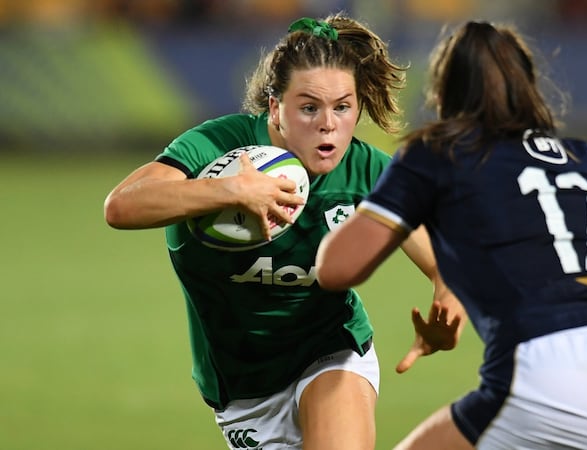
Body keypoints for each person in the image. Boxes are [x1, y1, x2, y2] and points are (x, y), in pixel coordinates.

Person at [316, 20, 587, 450]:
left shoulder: (436, 156)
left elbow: (336, 269)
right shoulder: (575, 154)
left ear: (444, 91)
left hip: (555, 370)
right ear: (528, 86)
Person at [104, 13, 463, 450]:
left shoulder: (366, 171)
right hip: (243, 388)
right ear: (275, 108)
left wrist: (448, 307)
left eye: (343, 107)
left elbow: (447, 260)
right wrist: (230, 190)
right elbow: (122, 207)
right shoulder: (218, 146)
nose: (328, 124)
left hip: (332, 349)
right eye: (309, 107)